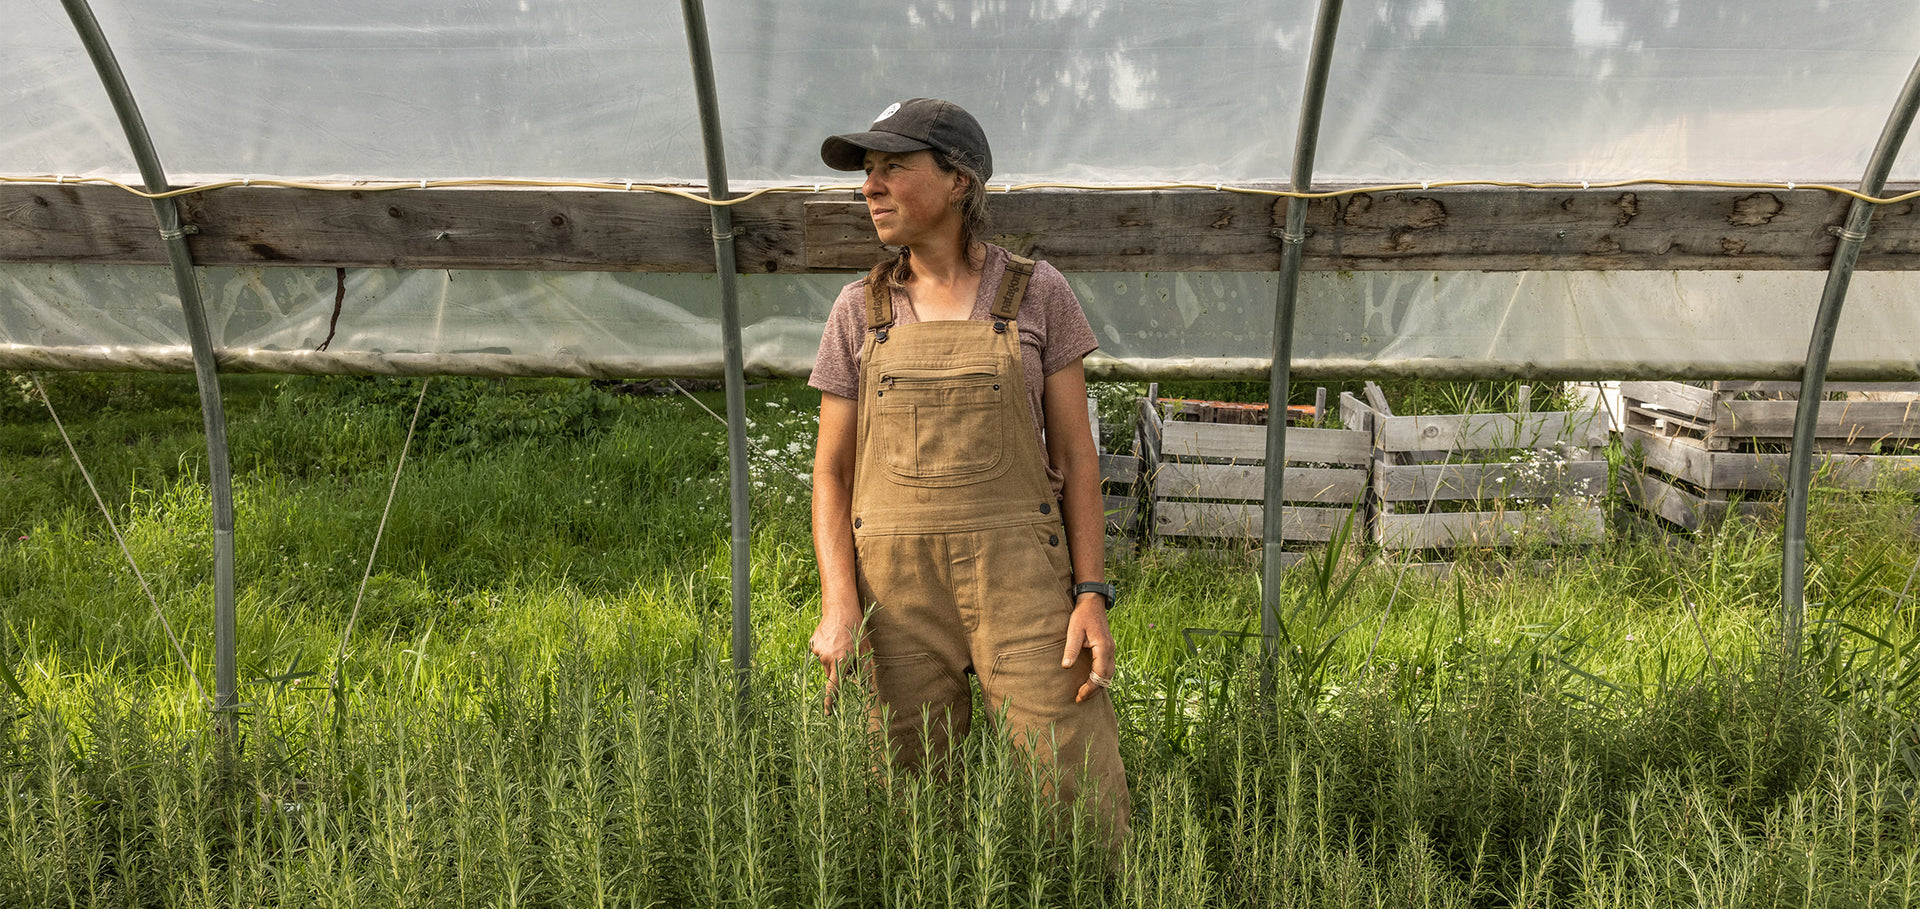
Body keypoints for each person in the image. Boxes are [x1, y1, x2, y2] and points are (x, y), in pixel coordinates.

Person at [806, 98, 1130, 838]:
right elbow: (830, 473)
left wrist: (1090, 593)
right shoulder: (859, 311)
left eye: (892, 167)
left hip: (1023, 585)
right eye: (867, 172)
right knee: (909, 815)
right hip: (897, 598)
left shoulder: (1036, 292)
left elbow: (1079, 457)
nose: (870, 187)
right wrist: (838, 603)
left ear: (958, 181)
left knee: (1080, 797)